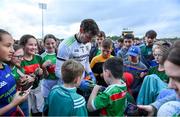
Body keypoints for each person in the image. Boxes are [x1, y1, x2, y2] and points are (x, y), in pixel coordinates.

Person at [55, 19, 99, 90]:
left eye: (92, 38)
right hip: (67, 86)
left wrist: (90, 73)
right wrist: (75, 82)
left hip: (81, 82)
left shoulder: (88, 44)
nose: (89, 41)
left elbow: (85, 61)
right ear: (81, 30)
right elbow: (58, 71)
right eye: (88, 37)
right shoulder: (66, 45)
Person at [138, 46, 180, 116]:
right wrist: (153, 107)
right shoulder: (152, 69)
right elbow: (173, 97)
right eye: (155, 55)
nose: (170, 85)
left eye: (177, 79)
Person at [0, 29, 29, 116]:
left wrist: (19, 84)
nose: (12, 50)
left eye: (12, 46)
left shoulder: (6, 67)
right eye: (8, 46)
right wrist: (13, 104)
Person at [19, 34, 44, 116]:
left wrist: (41, 73)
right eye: (30, 44)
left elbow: (42, 77)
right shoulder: (19, 60)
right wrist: (31, 76)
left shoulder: (38, 58)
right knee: (26, 113)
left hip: (37, 89)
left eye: (35, 45)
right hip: (25, 92)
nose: (34, 47)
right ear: (23, 45)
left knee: (38, 111)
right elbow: (18, 79)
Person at [41, 34, 58, 103]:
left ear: (56, 43)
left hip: (59, 82)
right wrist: (44, 67)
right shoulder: (42, 57)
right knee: (47, 103)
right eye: (48, 44)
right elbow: (44, 76)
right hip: (47, 83)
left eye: (52, 43)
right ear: (44, 44)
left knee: (57, 102)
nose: (50, 45)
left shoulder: (60, 54)